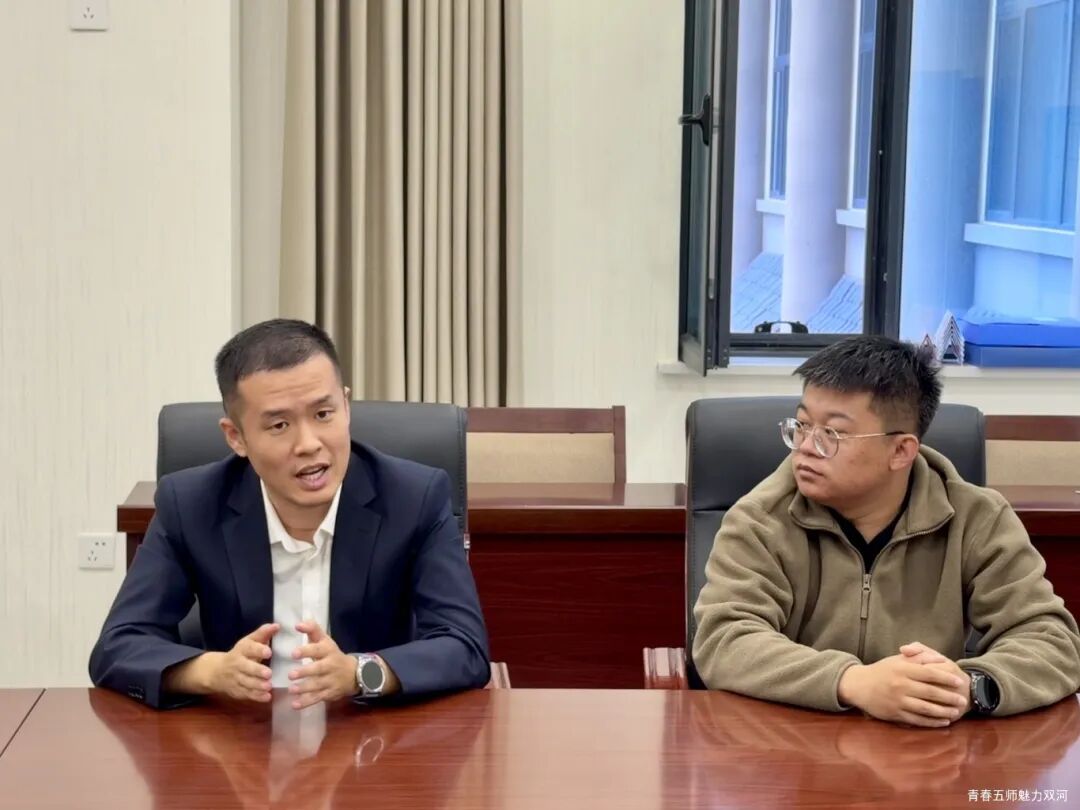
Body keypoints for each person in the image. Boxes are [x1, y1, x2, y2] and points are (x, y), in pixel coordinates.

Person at [90, 319, 489, 709]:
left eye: (323, 414)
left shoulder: (414, 497)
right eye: (280, 425)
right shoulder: (191, 504)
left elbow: (464, 646)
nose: (308, 444)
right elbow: (117, 647)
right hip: (240, 735)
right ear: (236, 437)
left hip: (369, 734)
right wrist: (213, 671)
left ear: (346, 405)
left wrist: (359, 672)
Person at [692, 335, 1080, 725]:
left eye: (832, 434)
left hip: (930, 745)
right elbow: (724, 641)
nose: (806, 447)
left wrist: (968, 686)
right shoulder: (760, 518)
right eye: (802, 425)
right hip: (793, 738)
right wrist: (852, 682)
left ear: (901, 451)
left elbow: (1052, 641)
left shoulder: (977, 518)